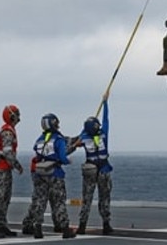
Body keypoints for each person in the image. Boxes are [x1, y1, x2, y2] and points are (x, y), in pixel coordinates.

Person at [24, 113, 75, 239]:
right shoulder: (58, 139)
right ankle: (65, 228)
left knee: (39, 201)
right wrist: (68, 161)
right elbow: (62, 157)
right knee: (59, 202)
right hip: (55, 174)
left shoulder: (40, 140)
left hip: (40, 173)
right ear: (53, 123)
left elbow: (37, 152)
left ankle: (37, 228)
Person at [74, 101, 114, 236]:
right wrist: (105, 103)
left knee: (87, 198)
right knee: (105, 198)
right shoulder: (103, 134)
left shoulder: (84, 138)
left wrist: (84, 130)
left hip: (90, 169)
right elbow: (106, 119)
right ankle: (106, 224)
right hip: (103, 170)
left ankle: (82, 225)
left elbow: (77, 141)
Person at [0, 104, 24, 238]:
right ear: (11, 115)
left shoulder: (9, 130)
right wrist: (17, 165)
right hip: (1, 169)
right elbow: (7, 151)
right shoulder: (8, 132)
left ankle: (1, 224)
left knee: (5, 198)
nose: (18, 116)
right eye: (17, 114)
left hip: (4, 168)